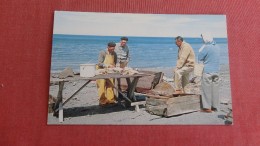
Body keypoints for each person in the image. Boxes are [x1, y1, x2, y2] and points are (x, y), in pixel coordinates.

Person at [198, 33, 220, 113]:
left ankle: (207, 107)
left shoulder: (206, 47)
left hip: (207, 71)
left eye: (203, 38)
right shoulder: (217, 46)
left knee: (206, 89)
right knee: (215, 90)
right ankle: (215, 106)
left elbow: (200, 58)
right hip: (216, 71)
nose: (202, 40)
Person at [96, 42, 117, 106]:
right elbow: (99, 63)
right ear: (108, 47)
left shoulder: (114, 53)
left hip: (110, 71)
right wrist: (107, 65)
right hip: (101, 71)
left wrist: (115, 68)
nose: (112, 50)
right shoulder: (103, 52)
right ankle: (102, 101)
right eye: (111, 49)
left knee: (110, 85)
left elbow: (114, 63)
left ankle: (110, 100)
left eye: (113, 49)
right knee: (102, 86)